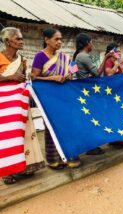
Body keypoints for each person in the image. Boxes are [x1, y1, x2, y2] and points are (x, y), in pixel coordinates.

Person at [31, 28, 81, 169]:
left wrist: (70, 75)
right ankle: (54, 160)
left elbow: (74, 71)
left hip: (65, 96)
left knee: (69, 125)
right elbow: (33, 78)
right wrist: (51, 78)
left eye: (61, 39)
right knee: (52, 126)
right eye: (56, 39)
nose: (60, 42)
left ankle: (70, 157)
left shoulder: (64, 57)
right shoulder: (40, 56)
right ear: (47, 40)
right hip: (49, 98)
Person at [0, 27, 45, 184]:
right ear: (7, 41)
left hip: (20, 102)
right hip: (4, 106)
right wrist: (10, 77)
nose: (21, 41)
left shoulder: (22, 60)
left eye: (21, 38)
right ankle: (8, 171)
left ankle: (25, 167)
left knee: (25, 134)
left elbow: (25, 80)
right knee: (6, 137)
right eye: (18, 39)